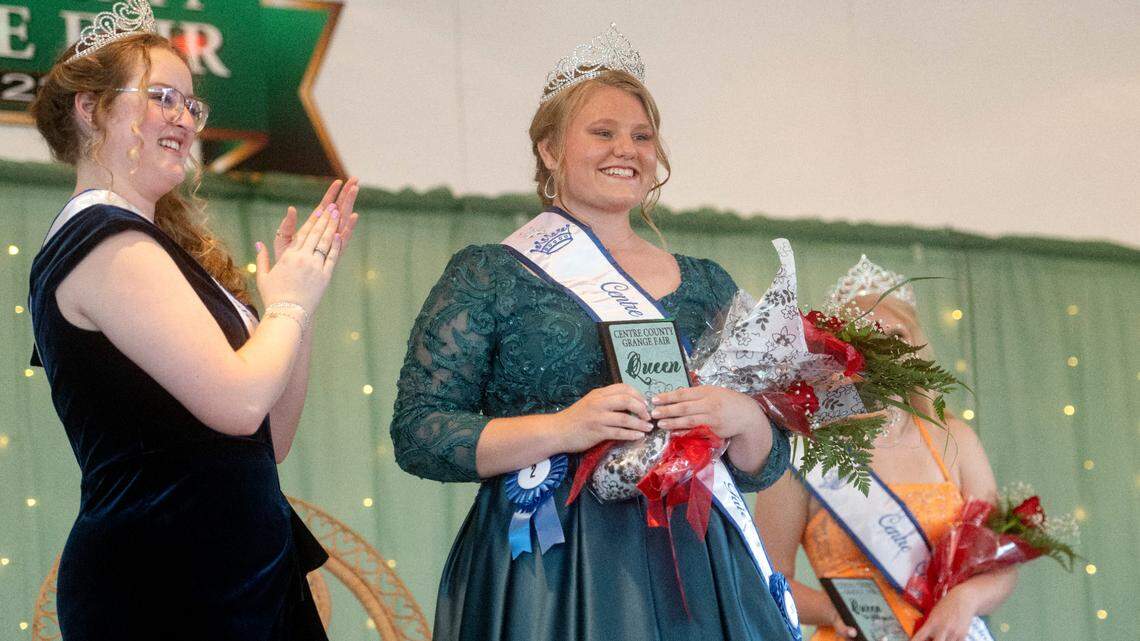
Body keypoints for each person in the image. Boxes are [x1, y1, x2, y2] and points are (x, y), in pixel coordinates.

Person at [391, 24, 796, 641]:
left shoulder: (708, 284)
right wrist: (562, 429)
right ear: (550, 151)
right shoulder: (491, 272)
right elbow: (419, 432)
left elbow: (764, 467)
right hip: (547, 567)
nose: (625, 149)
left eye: (642, 136)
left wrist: (744, 417)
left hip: (697, 561)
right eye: (602, 133)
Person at [27, 3, 359, 638]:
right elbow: (236, 404)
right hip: (166, 583)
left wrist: (301, 302)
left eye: (191, 104)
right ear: (90, 108)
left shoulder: (153, 246)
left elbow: (267, 437)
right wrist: (285, 303)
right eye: (161, 98)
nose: (185, 118)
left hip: (233, 574)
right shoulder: (101, 237)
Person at [753, 258, 1018, 641]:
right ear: (842, 352)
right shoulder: (801, 450)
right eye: (867, 336)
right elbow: (766, 576)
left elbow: (1000, 562)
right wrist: (836, 610)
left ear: (916, 346)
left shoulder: (955, 439)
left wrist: (964, 600)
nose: (885, 348)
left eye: (897, 334)